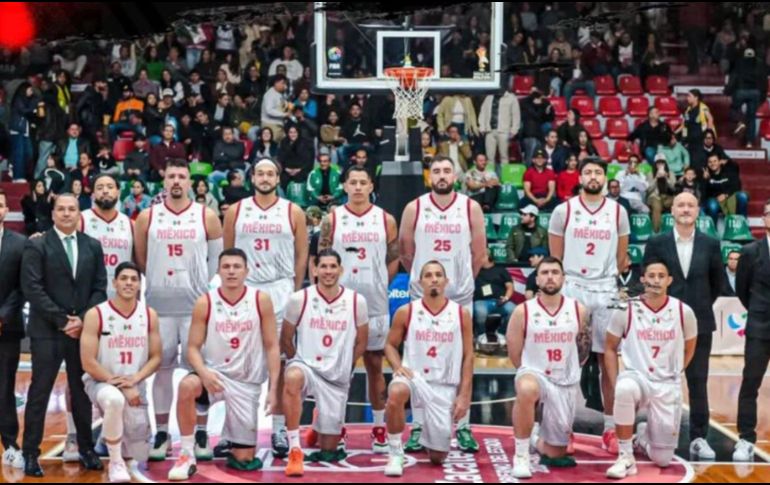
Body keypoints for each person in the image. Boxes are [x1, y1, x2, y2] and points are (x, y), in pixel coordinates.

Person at [134, 159, 224, 461]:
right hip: (159, 306)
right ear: (164, 180)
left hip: (195, 307)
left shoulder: (207, 216)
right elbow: (142, 259)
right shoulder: (147, 217)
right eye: (171, 176)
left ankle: (200, 431)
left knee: (199, 371)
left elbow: (215, 261)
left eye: (181, 177)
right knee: (161, 371)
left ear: (190, 181)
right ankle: (161, 432)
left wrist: (197, 285)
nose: (176, 181)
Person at [167, 249, 281, 479]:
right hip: (214, 376)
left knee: (245, 459)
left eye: (237, 266)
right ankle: (187, 454)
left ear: (247, 271)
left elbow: (272, 346)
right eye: (226, 266)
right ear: (218, 270)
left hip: (246, 381)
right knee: (187, 386)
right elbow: (192, 348)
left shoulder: (261, 300)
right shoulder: (205, 302)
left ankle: (232, 433)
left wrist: (273, 389)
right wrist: (203, 373)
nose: (231, 271)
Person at [399, 156, 486, 453]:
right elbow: (405, 251)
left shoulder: (470, 207)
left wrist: (461, 282)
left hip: (459, 293)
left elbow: (479, 251)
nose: (441, 175)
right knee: (417, 357)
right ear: (429, 176)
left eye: (447, 170)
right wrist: (427, 284)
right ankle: (418, 425)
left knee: (463, 359)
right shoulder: (415, 207)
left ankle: (462, 425)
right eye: (436, 171)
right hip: (423, 294)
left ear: (455, 175)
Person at [222, 157, 308, 458]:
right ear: (252, 178)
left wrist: (295, 290)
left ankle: (280, 428)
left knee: (281, 361)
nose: (265, 177)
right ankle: (232, 430)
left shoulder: (293, 211)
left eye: (270, 173)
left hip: (280, 287)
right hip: (246, 289)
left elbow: (301, 254)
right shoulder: (236, 211)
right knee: (237, 359)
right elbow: (228, 252)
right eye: (260, 173)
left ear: (278, 178)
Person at [21, 193, 108, 477]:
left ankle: (86, 449)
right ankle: (31, 454)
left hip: (81, 332)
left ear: (78, 213)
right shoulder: (38, 244)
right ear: (54, 213)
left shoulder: (92, 246)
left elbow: (99, 288)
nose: (67, 214)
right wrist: (62, 320)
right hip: (47, 331)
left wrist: (82, 320)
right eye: (62, 209)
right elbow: (33, 289)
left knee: (81, 392)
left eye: (72, 209)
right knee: (39, 392)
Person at [549, 158, 631, 453]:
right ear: (579, 177)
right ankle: (563, 427)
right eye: (588, 172)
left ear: (605, 178)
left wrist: (606, 276)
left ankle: (610, 427)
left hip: (606, 289)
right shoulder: (563, 210)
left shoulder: (619, 212)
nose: (593, 176)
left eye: (598, 172)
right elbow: (555, 257)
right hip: (573, 288)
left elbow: (623, 259)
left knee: (608, 361)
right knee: (569, 361)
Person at [319, 166, 399, 453]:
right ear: (344, 186)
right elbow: (323, 256)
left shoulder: (386, 219)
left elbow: (394, 258)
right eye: (352, 182)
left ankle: (379, 426)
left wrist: (380, 284)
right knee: (341, 368)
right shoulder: (332, 219)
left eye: (362, 182)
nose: (357, 187)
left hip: (375, 303)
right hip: (341, 304)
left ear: (370, 186)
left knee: (376, 365)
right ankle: (336, 426)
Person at [643, 192, 727, 460]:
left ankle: (699, 438)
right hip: (662, 323)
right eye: (681, 204)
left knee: (698, 381)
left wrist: (694, 308)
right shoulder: (657, 242)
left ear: (698, 211)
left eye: (690, 205)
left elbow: (717, 284)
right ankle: (654, 432)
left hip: (700, 323)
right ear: (672, 210)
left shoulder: (711, 244)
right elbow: (649, 281)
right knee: (658, 380)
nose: (686, 209)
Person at [605, 258, 698, 478]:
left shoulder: (683, 311)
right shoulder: (625, 309)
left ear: (669, 280)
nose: (656, 280)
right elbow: (609, 347)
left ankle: (641, 437)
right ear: (643, 279)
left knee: (662, 459)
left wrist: (677, 372)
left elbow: (690, 348)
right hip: (637, 377)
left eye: (661, 276)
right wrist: (615, 381)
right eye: (651, 276)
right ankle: (626, 457)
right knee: (624, 389)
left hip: (667, 382)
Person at [280, 249, 369, 476]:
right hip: (306, 366)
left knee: (328, 448)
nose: (328, 271)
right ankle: (294, 448)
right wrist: (295, 361)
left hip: (336, 375)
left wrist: (346, 367)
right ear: (315, 269)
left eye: (333, 266)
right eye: (324, 266)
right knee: (292, 378)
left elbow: (362, 341)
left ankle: (319, 422)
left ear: (341, 269)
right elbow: (286, 338)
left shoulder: (357, 301)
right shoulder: (299, 299)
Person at [382, 261, 474, 477]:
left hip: (444, 384)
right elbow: (389, 345)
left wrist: (464, 395)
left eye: (438, 275)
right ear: (420, 281)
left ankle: (429, 434)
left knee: (437, 458)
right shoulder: (407, 311)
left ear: (446, 281)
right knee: (396, 392)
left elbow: (469, 356)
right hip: (414, 378)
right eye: (429, 275)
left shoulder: (461, 314)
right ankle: (395, 452)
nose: (434, 279)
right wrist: (398, 367)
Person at [507, 257, 590, 478]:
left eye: (555, 272)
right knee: (526, 388)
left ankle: (535, 437)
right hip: (535, 373)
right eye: (544, 272)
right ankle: (521, 455)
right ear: (537, 278)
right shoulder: (522, 311)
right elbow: (514, 353)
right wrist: (526, 372)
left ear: (563, 277)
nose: (550, 276)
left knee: (555, 452)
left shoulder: (578, 309)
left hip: (564, 380)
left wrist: (570, 370)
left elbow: (584, 349)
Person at [80, 263, 162, 483]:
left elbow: (156, 357)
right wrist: (118, 383)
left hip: (135, 384)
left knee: (138, 455)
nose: (128, 283)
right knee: (115, 400)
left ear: (139, 285)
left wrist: (134, 379)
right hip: (101, 382)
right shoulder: (96, 314)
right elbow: (87, 362)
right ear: (114, 282)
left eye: (134, 279)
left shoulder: (149, 314)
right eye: (123, 278)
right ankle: (114, 462)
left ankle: (107, 441)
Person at [734, 200, 770, 462]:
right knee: (750, 385)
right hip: (759, 328)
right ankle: (746, 439)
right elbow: (742, 290)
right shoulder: (750, 251)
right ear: (764, 219)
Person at [0, 189, 27, 471]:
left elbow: (23, 288)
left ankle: (10, 446)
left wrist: (2, 316)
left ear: (6, 210)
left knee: (4, 388)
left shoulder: (19, 244)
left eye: (0, 204)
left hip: (6, 329)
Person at [79, 174, 134, 299]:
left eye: (110, 187)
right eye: (99, 188)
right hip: (89, 296)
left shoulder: (130, 224)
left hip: (121, 296)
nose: (105, 191)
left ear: (118, 192)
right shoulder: (81, 219)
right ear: (92, 194)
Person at [473, 249, 515, 337]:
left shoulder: (501, 270)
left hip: (500, 300)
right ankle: (481, 336)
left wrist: (506, 298)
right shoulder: (475, 271)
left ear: (487, 256)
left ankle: (501, 333)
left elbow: (510, 287)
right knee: (481, 312)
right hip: (481, 301)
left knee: (513, 309)